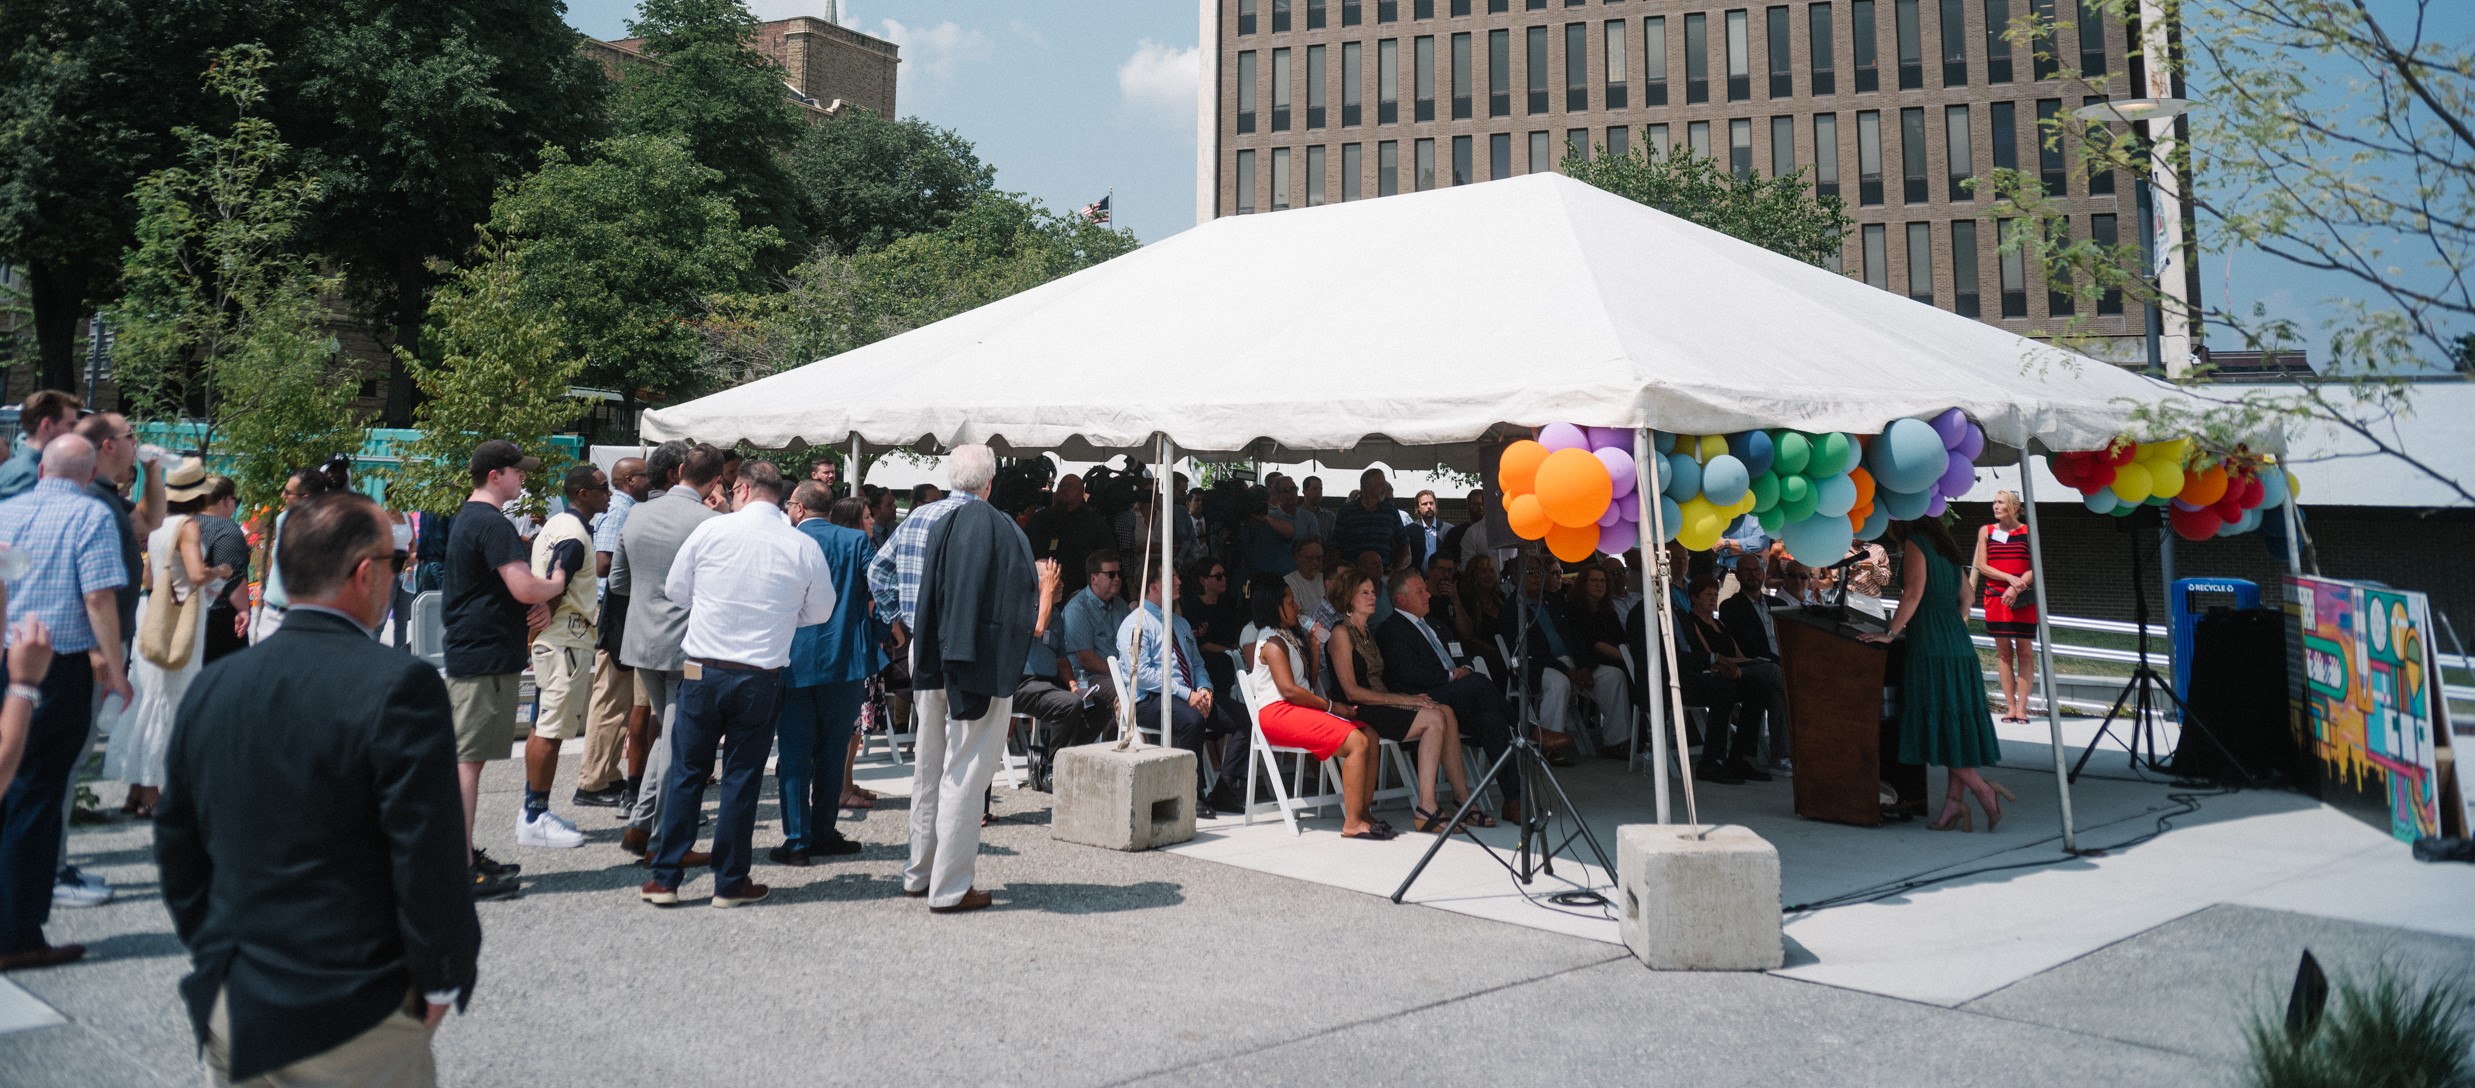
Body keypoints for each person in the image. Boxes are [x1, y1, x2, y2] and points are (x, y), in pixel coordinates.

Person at [155, 492, 481, 1082]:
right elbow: (426, 849)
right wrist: (443, 970)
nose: (399, 573)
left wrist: (217, 951)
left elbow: (178, 841)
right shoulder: (399, 685)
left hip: (237, 997)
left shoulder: (217, 682)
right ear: (364, 573)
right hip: (355, 1007)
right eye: (395, 562)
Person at [640, 463, 834, 908]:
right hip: (759, 674)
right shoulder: (801, 545)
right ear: (780, 497)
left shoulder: (711, 533)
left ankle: (666, 877)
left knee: (688, 773)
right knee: (741, 779)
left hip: (703, 667)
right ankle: (729, 880)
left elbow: (676, 590)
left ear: (742, 489)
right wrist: (781, 618)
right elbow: (820, 611)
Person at [0, 436, 130, 970]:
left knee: (9, 786)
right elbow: (97, 595)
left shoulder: (7, 510)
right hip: (56, 665)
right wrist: (116, 669)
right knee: (37, 798)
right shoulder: (90, 516)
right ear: (92, 467)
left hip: (8, 657)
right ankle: (18, 933)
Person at [900, 445, 1035, 914]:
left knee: (928, 765)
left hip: (931, 650)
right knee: (966, 770)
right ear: (990, 482)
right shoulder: (1000, 529)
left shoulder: (925, 519)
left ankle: (920, 873)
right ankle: (950, 886)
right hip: (975, 660)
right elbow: (1018, 607)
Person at [441, 441, 571, 896]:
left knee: (468, 759)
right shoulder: (490, 522)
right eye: (517, 472)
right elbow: (521, 585)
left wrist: (530, 608)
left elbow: (497, 590)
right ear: (495, 475)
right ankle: (458, 867)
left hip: (480, 648)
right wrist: (553, 584)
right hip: (482, 654)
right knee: (467, 762)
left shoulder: (474, 518)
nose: (523, 479)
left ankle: (465, 854)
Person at [1864, 520, 2014, 830]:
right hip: (1959, 644)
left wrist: (1890, 633)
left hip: (1931, 647)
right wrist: (1947, 621)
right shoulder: (1947, 547)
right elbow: (1969, 597)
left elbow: (1914, 593)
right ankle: (1952, 805)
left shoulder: (1915, 542)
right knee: (1953, 726)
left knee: (1941, 726)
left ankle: (1983, 790)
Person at [613, 442, 724, 863]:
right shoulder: (709, 522)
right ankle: (663, 841)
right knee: (679, 744)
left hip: (641, 640)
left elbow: (619, 582)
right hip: (686, 646)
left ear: (678, 471)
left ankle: (642, 825)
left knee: (669, 734)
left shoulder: (636, 513)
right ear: (714, 480)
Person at [104, 459, 232, 818]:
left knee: (147, 698)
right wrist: (219, 571)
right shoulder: (188, 527)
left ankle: (136, 789)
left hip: (153, 617)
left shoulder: (157, 525)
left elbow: (147, 578)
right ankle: (153, 792)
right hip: (181, 622)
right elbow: (195, 572)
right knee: (170, 702)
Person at [770, 487, 885, 866]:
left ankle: (798, 839)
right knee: (833, 750)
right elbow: (882, 586)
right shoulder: (854, 540)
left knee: (795, 751)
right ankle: (822, 831)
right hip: (845, 656)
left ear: (799, 507)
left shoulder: (785, 538)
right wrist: (879, 633)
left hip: (792, 657)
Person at [1324, 567, 1485, 832]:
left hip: (1379, 703)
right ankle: (1426, 805)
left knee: (1444, 710)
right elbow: (1351, 691)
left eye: (1373, 592)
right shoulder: (1342, 633)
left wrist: (1407, 698)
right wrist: (1402, 699)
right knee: (1433, 718)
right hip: (1360, 709)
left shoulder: (1366, 632)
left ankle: (1462, 799)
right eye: (1364, 593)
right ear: (1349, 598)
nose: (1372, 597)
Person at [1240, 577, 1394, 839]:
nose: (1297, 606)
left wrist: (1312, 649)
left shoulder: (1286, 637)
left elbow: (1306, 684)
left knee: (1370, 735)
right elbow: (1289, 690)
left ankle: (1363, 813)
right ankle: (1352, 821)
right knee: (1357, 742)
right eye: (1290, 602)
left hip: (1296, 709)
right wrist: (1332, 706)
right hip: (1278, 713)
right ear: (1275, 607)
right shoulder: (1271, 642)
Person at [1376, 569, 1523, 822]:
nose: (1428, 595)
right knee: (1476, 683)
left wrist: (1464, 667)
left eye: (1426, 589)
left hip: (1456, 699)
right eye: (1420, 591)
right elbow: (1409, 673)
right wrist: (1451, 676)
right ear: (1400, 599)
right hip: (1425, 700)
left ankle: (1513, 800)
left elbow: (1459, 652)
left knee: (1492, 721)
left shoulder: (1434, 624)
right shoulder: (1391, 630)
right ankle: (1524, 728)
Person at [516, 464, 605, 847]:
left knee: (543, 722)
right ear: (582, 492)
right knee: (550, 728)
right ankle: (534, 816)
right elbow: (557, 577)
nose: (610, 493)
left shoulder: (556, 526)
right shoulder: (572, 533)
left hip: (558, 636)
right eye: (603, 487)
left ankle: (535, 809)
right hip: (565, 638)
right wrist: (547, 606)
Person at [1118, 563, 1252, 814]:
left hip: (1189, 695)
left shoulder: (1179, 623)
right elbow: (1142, 674)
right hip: (1149, 699)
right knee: (1192, 720)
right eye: (1172, 577)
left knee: (1245, 718)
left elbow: (1197, 661)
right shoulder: (1135, 625)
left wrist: (1204, 688)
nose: (1179, 581)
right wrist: (1185, 693)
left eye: (1178, 575)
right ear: (1154, 587)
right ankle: (1191, 790)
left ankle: (1223, 788)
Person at [574, 456, 650, 809]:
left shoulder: (626, 507)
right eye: (645, 476)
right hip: (617, 612)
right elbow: (604, 563)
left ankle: (605, 773)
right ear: (630, 480)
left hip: (621, 612)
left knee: (619, 700)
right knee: (610, 700)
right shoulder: (621, 509)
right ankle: (592, 781)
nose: (650, 481)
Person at [1674, 575, 1781, 784]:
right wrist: (1728, 665)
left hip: (1736, 668)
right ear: (1694, 598)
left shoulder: (1718, 623)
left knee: (1759, 689)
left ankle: (1739, 756)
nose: (1713, 598)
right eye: (1707, 594)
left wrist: (1746, 662)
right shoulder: (1691, 621)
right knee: (1727, 689)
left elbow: (1738, 652)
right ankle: (1711, 760)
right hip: (1711, 675)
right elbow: (1708, 655)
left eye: (1715, 594)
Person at [1719, 554, 1793, 773]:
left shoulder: (1778, 604)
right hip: (1751, 664)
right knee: (1773, 671)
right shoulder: (1731, 606)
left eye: (1756, 570)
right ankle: (1802, 692)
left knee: (1777, 697)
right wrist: (1779, 661)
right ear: (1738, 575)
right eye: (1747, 571)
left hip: (1780, 667)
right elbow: (1748, 645)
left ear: (1763, 573)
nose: (1753, 575)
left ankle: (1781, 757)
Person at [1559, 565, 1638, 755]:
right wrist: (1626, 657)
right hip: (1585, 662)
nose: (1599, 585)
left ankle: (1637, 735)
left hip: (1610, 658)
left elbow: (1620, 638)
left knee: (1630, 673)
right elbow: (1592, 643)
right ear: (1584, 584)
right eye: (1594, 581)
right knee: (1617, 675)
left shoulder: (1607, 610)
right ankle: (1616, 741)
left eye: (1602, 581)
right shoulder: (1575, 609)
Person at [1975, 490, 2039, 724]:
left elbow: (2036, 566)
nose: (1995, 505)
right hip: (1996, 597)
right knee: (2003, 653)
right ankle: (2009, 707)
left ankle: (2022, 708)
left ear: (2013, 506)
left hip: (2023, 597)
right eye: (1994, 502)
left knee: (2025, 651)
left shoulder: (2027, 530)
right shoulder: (1987, 531)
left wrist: (2017, 585)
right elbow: (1982, 565)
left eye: (2000, 502)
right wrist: (2009, 579)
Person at [252, 469, 330, 645]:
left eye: (288, 492)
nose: (282, 495)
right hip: (272, 615)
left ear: (306, 497)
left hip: (306, 620)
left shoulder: (328, 527)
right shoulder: (283, 519)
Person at [194, 476, 252, 663]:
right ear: (226, 500)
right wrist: (244, 610)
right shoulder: (227, 530)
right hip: (218, 621)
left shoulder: (184, 523)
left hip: (183, 613)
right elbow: (234, 580)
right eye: (236, 501)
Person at [1058, 549, 1130, 693]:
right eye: (1111, 574)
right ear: (1093, 579)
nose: (1117, 578)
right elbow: (1087, 660)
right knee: (1125, 690)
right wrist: (1123, 674)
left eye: (1119, 574)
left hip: (1122, 674)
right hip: (1089, 679)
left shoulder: (1121, 605)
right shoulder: (1077, 609)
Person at [1026, 473, 1113, 587]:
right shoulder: (1041, 518)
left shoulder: (1094, 522)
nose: (1063, 489)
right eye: (1061, 485)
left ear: (1080, 493)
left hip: (1079, 586)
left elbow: (1105, 556)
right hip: (1041, 583)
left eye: (1070, 486)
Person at [1179, 556, 1245, 697]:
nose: (1224, 579)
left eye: (1224, 575)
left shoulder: (1225, 604)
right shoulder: (1193, 608)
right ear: (1203, 581)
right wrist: (1233, 652)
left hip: (1232, 655)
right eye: (1218, 576)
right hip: (1213, 662)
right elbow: (1204, 646)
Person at [0, 389, 81, 500]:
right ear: (46, 426)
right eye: (71, 425)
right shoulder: (28, 474)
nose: (77, 431)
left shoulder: (16, 467)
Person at [1331, 468, 1406, 571]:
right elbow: (1335, 546)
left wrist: (1394, 571)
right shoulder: (1347, 511)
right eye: (1380, 484)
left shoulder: (1391, 512)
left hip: (1383, 575)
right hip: (1354, 575)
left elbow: (1405, 546)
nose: (1384, 489)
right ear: (1366, 486)